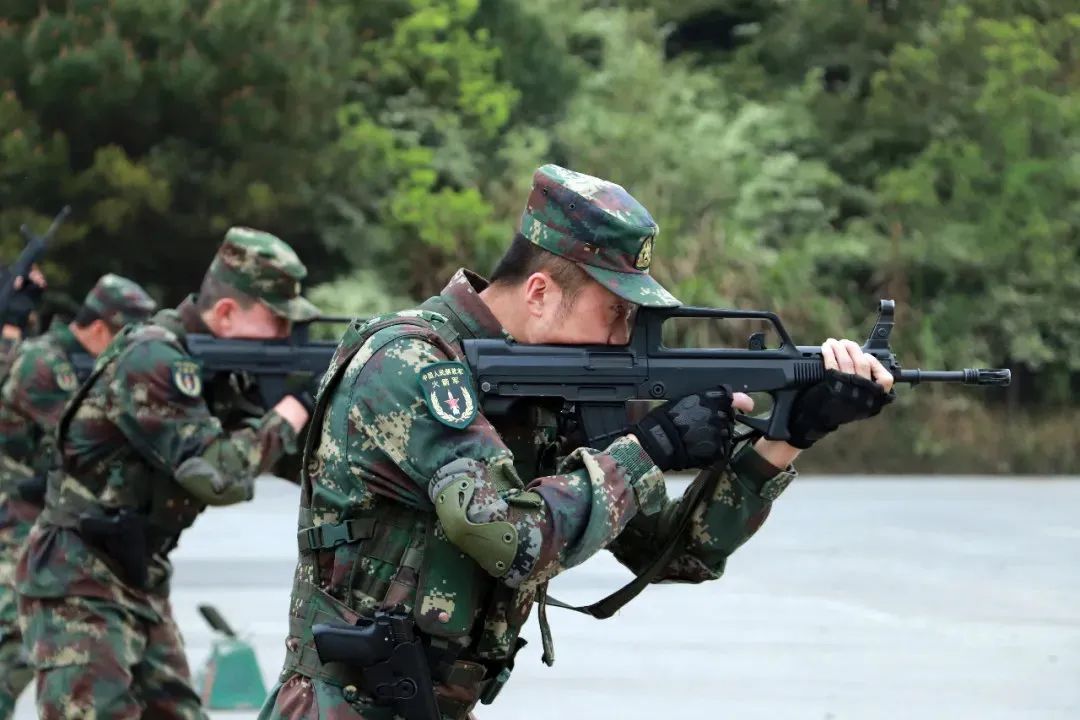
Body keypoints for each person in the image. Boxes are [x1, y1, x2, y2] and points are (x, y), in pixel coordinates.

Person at [260, 164, 896, 720]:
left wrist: (787, 437)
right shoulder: (409, 365)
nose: (625, 337)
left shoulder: (553, 390)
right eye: (615, 312)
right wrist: (651, 448)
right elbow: (509, 538)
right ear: (540, 293)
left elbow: (674, 554)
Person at [17, 228, 320, 720]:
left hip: (136, 574)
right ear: (224, 314)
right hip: (78, 578)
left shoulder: (212, 369)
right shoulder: (155, 358)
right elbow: (218, 476)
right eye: (278, 321)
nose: (288, 337)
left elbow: (279, 457)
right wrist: (293, 408)